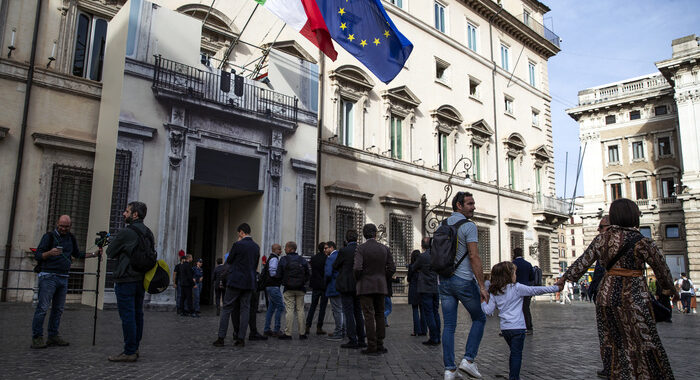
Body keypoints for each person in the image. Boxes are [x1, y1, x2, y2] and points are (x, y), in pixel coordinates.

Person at [561, 198, 678, 380]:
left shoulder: (601, 239)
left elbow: (582, 262)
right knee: (644, 340)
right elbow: (662, 270)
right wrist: (670, 291)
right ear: (633, 216)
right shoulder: (642, 241)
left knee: (611, 341)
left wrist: (564, 279)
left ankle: (616, 374)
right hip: (633, 296)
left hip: (606, 296)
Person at [31, 215, 102, 349]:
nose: (63, 228)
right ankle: (37, 337)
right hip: (48, 276)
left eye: (66, 226)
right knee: (42, 308)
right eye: (61, 226)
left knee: (58, 309)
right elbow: (38, 255)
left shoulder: (71, 237)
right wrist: (50, 253)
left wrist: (94, 254)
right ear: (57, 224)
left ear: (70, 226)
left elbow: (77, 254)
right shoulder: (49, 237)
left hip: (63, 277)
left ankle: (53, 336)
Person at [481, 261, 561, 380]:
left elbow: (488, 311)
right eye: (514, 273)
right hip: (518, 328)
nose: (516, 275)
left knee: (514, 353)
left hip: (505, 329)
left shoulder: (495, 291)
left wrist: (482, 301)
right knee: (517, 354)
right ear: (508, 275)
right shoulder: (517, 288)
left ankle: (513, 375)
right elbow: (536, 290)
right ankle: (514, 377)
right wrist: (556, 288)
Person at [440, 192, 488, 380]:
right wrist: (482, 286)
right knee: (479, 318)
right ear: (459, 205)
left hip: (444, 281)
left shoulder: (443, 224)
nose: (473, 207)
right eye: (470, 203)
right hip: (463, 280)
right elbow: (474, 256)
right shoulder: (469, 226)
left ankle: (449, 369)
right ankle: (468, 360)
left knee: (449, 326)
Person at [106, 201, 153, 362]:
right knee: (137, 314)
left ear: (135, 215)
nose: (123, 214)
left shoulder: (127, 232)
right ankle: (135, 347)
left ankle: (129, 351)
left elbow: (110, 251)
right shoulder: (148, 232)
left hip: (126, 279)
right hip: (141, 279)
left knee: (127, 316)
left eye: (126, 211)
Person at [213, 223, 260, 348]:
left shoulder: (237, 245)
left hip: (235, 280)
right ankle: (241, 339)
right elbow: (255, 264)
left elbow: (229, 262)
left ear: (241, 232)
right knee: (245, 309)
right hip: (249, 282)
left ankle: (221, 338)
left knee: (227, 308)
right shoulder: (256, 247)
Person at [353, 223, 396, 355]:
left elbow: (357, 268)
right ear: (375, 234)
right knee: (380, 314)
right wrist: (383, 277)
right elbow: (392, 268)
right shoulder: (384, 248)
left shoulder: (361, 249)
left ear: (364, 234)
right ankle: (380, 344)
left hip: (365, 286)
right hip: (380, 285)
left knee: (369, 316)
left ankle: (371, 345)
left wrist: (359, 278)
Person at [334, 230, 367, 349]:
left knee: (348, 313)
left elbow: (335, 265)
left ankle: (352, 339)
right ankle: (362, 338)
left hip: (346, 285)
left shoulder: (344, 250)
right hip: (358, 284)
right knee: (358, 312)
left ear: (346, 239)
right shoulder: (361, 249)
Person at [276, 241, 311, 340]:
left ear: (290, 249)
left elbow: (278, 274)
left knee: (289, 310)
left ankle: (288, 333)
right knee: (300, 310)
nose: (284, 249)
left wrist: (283, 281)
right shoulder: (302, 260)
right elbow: (308, 274)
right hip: (300, 288)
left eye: (286, 248)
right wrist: (303, 282)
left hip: (288, 288)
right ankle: (302, 333)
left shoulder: (284, 259)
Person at [415, 237, 441, 346]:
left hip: (426, 288)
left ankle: (433, 338)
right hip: (436, 287)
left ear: (422, 246)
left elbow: (414, 267)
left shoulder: (422, 256)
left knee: (429, 313)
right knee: (436, 312)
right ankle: (438, 336)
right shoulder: (437, 255)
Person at [306, 241, 329, 335]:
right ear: (324, 249)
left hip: (315, 285)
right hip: (324, 286)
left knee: (313, 306)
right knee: (323, 307)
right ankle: (319, 327)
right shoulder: (327, 259)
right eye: (326, 248)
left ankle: (307, 326)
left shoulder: (313, 258)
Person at [324, 241, 345, 341]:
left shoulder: (331, 258)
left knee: (337, 310)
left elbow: (328, 274)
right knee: (342, 310)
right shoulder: (340, 256)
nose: (324, 250)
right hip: (342, 286)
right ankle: (343, 330)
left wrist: (325, 283)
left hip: (333, 286)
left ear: (331, 248)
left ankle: (338, 331)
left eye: (326, 248)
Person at [263, 244, 284, 337]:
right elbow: (272, 272)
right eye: (279, 249)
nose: (281, 251)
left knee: (271, 308)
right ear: (275, 250)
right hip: (273, 286)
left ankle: (267, 329)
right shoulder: (274, 259)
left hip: (270, 286)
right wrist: (279, 276)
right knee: (280, 307)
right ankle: (276, 329)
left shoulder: (271, 258)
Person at [512, 247, 534, 335]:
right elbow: (532, 277)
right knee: (526, 309)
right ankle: (529, 327)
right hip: (526, 289)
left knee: (514, 308)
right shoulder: (528, 264)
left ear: (514, 254)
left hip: (515, 290)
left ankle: (515, 327)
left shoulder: (512, 264)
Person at [407, 249, 426, 336]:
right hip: (422, 289)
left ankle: (416, 330)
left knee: (415, 310)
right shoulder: (423, 266)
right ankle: (424, 330)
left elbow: (408, 278)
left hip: (414, 290)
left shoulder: (411, 266)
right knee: (423, 310)